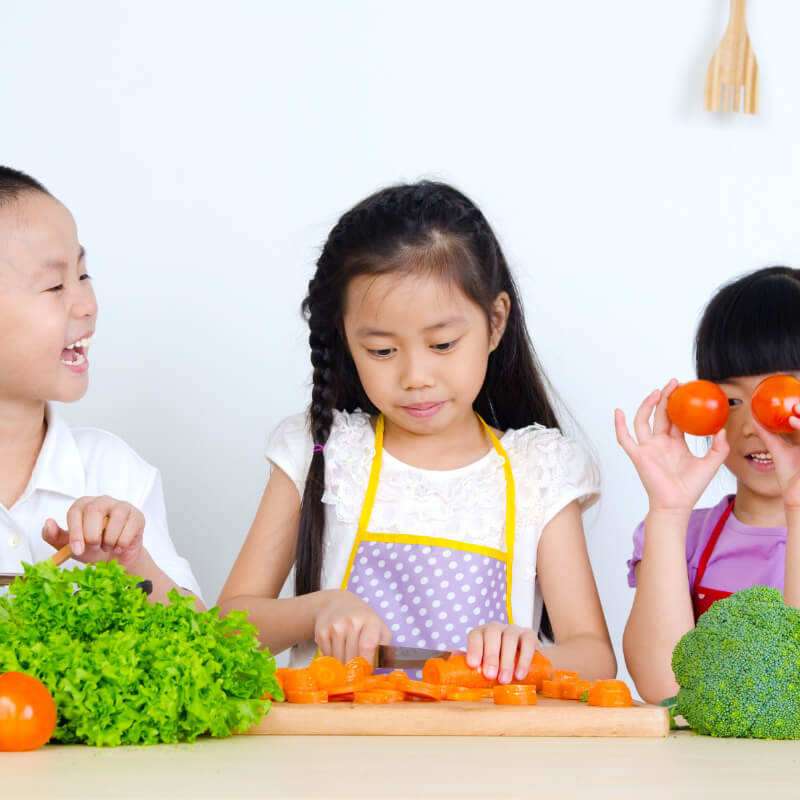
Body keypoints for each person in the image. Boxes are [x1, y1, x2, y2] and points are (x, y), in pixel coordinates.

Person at [219, 181, 614, 683]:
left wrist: (526, 655)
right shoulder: (319, 450)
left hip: (488, 757)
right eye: (383, 351)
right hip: (335, 758)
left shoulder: (541, 470)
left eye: (443, 344)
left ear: (495, 322)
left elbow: (595, 658)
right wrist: (318, 610)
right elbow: (227, 626)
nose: (415, 377)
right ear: (345, 338)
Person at [0, 166, 203, 607]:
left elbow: (204, 641)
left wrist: (133, 563)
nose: (88, 304)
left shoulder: (114, 472)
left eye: (83, 275)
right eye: (55, 285)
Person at [616, 266, 800, 703]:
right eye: (732, 400)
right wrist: (668, 510)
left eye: (781, 397)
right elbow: (663, 687)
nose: (756, 426)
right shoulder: (684, 536)